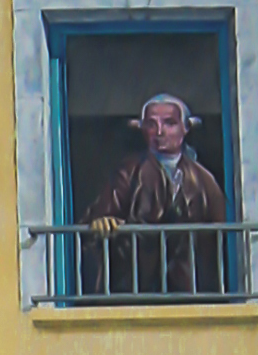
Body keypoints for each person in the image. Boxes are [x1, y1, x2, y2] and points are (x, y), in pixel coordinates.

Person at [80, 86, 228, 293]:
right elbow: (99, 216)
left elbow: (220, 232)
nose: (159, 132)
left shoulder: (204, 181)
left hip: (189, 289)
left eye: (169, 123)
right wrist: (104, 222)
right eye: (151, 124)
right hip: (136, 286)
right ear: (142, 129)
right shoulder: (128, 173)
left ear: (185, 128)